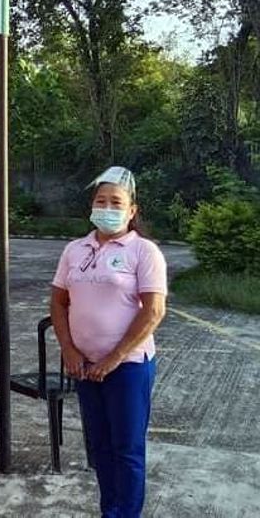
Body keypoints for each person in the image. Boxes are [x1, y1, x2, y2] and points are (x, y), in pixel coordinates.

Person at [50, 166, 167, 518]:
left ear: (132, 210)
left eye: (116, 201)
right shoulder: (75, 249)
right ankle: (109, 510)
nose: (108, 207)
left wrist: (114, 358)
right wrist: (69, 349)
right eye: (101, 200)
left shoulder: (143, 252)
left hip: (128, 367)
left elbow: (153, 311)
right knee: (99, 447)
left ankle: (125, 513)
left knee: (127, 449)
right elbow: (58, 301)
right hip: (85, 366)